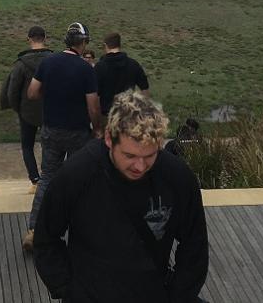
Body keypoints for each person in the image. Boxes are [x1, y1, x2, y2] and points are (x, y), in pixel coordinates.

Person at [33, 89, 209, 303]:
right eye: (129, 155)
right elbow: (46, 239)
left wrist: (178, 297)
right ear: (109, 138)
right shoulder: (77, 174)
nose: (140, 166)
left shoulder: (177, 177)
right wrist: (68, 289)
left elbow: (194, 246)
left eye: (150, 155)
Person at [23, 22, 101, 252]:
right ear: (84, 42)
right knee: (79, 180)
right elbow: (93, 107)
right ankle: (80, 233)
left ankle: (34, 230)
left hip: (51, 130)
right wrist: (97, 129)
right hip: (78, 132)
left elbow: (32, 93)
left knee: (47, 178)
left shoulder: (49, 62)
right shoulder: (86, 69)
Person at [3, 26, 52, 185]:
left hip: (26, 110)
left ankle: (35, 179)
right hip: (50, 110)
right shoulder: (54, 60)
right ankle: (48, 176)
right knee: (49, 146)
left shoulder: (21, 64)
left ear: (29, 39)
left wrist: (18, 108)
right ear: (45, 38)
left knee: (27, 146)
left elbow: (12, 92)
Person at [93, 33, 150, 119]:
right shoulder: (133, 64)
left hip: (107, 116)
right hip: (128, 116)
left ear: (105, 45)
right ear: (119, 45)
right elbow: (145, 89)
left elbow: (95, 97)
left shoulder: (99, 67)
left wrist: (97, 119)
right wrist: (143, 113)